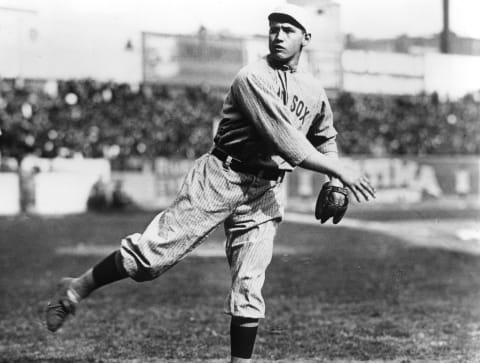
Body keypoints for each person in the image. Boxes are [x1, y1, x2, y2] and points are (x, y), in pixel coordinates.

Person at [46, 4, 376, 362]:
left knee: (250, 285)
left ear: (305, 38)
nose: (278, 35)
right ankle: (76, 287)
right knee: (149, 261)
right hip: (221, 177)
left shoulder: (314, 89)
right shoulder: (251, 77)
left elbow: (325, 136)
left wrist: (335, 182)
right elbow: (288, 142)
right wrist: (341, 171)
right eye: (274, 28)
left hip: (264, 192)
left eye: (288, 30)